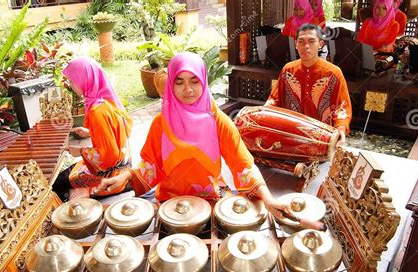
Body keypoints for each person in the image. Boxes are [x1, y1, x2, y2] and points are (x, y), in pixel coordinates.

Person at [97, 52, 292, 220]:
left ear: (204, 81)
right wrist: (125, 176)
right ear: (170, 86)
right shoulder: (160, 123)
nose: (187, 89)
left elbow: (243, 166)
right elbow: (151, 164)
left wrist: (268, 199)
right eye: (179, 82)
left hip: (210, 199)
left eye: (194, 81)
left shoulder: (219, 122)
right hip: (169, 202)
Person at [52, 57, 132, 201]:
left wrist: (81, 151)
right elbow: (121, 129)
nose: (71, 85)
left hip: (112, 177)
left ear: (85, 79)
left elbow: (109, 156)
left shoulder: (97, 111)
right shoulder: (106, 99)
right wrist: (92, 132)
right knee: (69, 172)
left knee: (60, 182)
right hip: (125, 166)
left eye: (72, 80)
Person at [266, 23, 352, 145]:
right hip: (290, 137)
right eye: (301, 41)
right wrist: (263, 113)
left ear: (320, 44)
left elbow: (341, 108)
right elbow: (275, 99)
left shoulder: (334, 73)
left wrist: (341, 129)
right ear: (296, 44)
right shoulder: (288, 70)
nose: (306, 46)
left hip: (322, 140)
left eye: (311, 41)